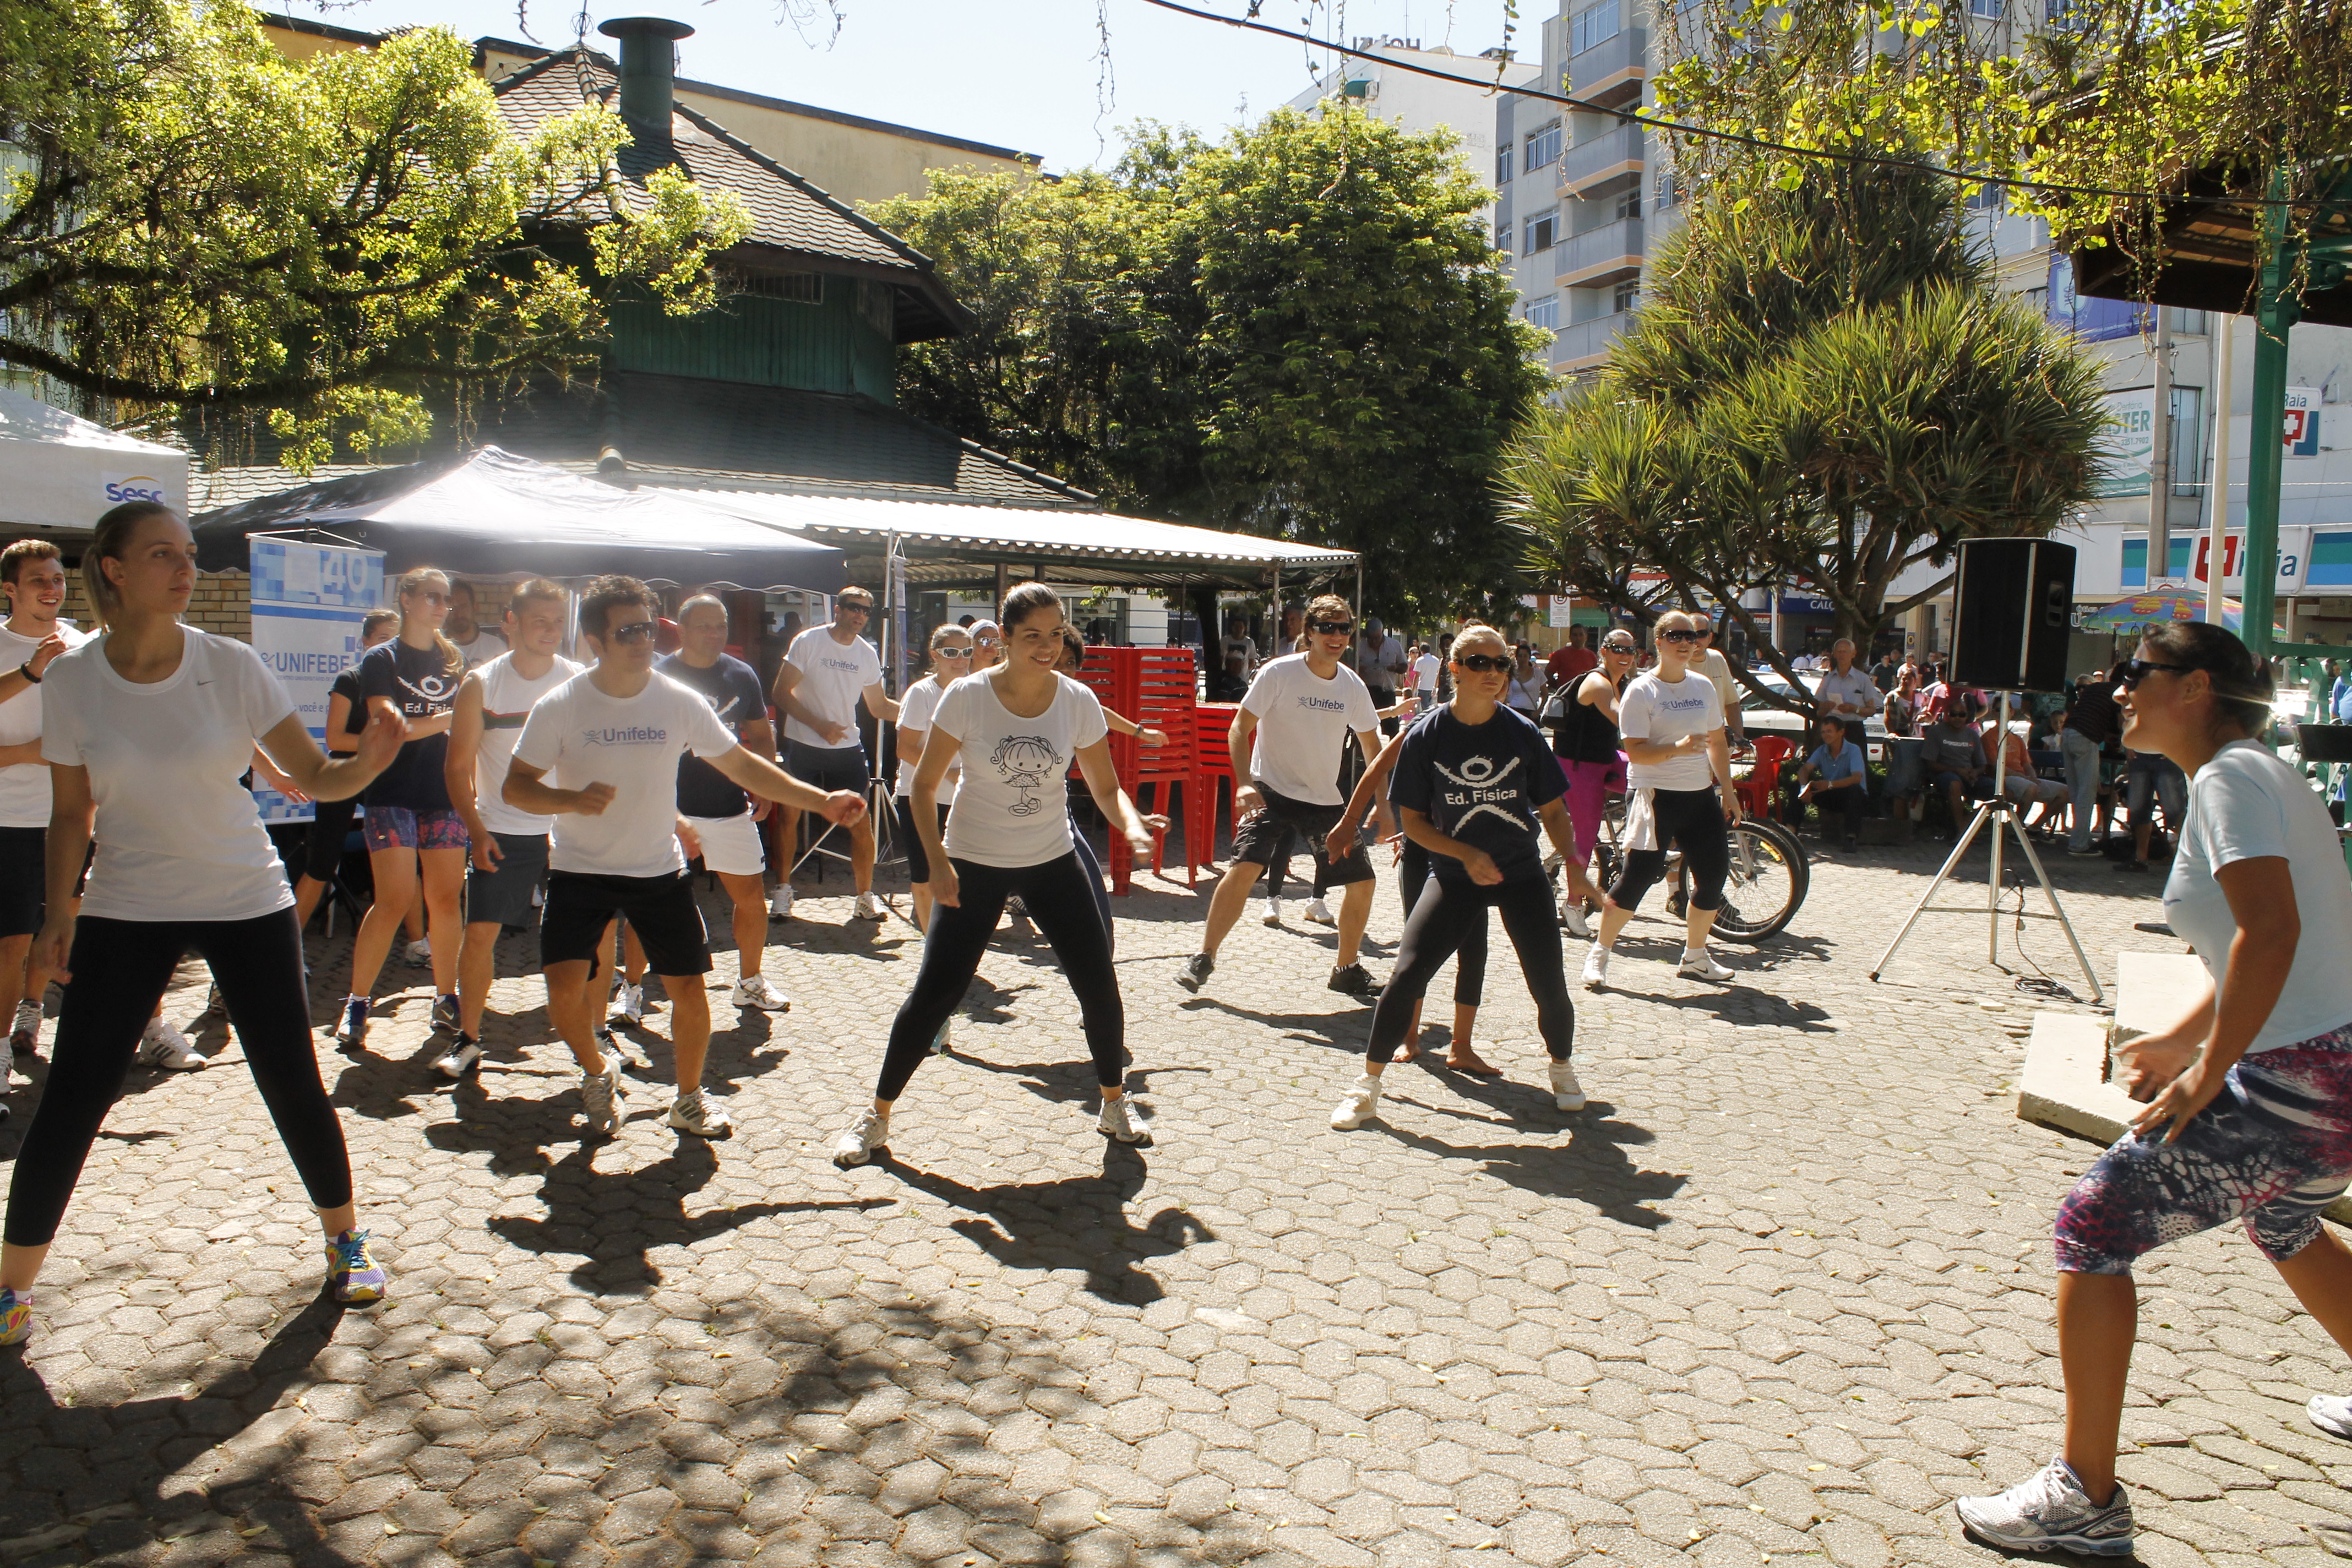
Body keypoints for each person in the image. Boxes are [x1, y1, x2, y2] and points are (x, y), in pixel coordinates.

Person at [1956, 622, 2352, 1557]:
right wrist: (2182, 1036)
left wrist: (2207, 1071)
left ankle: (2081, 1498)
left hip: (2295, 1077)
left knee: (2090, 1229)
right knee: (2283, 1221)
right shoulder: (2255, 770)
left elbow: (2273, 929)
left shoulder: (2225, 778)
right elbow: (2269, 938)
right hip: (2331, 1065)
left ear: (2196, 687)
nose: (2116, 687)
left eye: (2135, 672)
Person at [0, 501, 411, 1348]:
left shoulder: (232, 664)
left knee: (291, 1077)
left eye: (188, 554)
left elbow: (313, 779)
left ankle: (345, 1243)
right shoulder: (74, 680)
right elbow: (70, 814)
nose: (184, 567)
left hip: (244, 897)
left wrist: (366, 763)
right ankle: (11, 1290)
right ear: (113, 568)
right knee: (74, 1095)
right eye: (163, 554)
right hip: (126, 901)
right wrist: (59, 916)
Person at [506, 575, 865, 1141]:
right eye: (627, 630)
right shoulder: (562, 704)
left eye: (648, 627)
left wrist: (822, 799)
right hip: (580, 870)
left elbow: (743, 765)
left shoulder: (677, 699)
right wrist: (570, 800)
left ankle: (690, 1100)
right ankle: (598, 1072)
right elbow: (516, 787)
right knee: (563, 994)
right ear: (596, 639)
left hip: (658, 871)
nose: (643, 639)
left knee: (690, 991)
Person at [828, 582, 1159, 1167]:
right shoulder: (968, 697)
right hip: (973, 860)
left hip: (1050, 858)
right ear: (1003, 638)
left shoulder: (1077, 699)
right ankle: (876, 1117)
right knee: (936, 993)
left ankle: (1113, 1102)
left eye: (1056, 634)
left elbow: (1105, 787)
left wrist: (1129, 825)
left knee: (1097, 982)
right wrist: (939, 864)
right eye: (1032, 636)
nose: (1048, 646)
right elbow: (926, 788)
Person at [1327, 623, 1588, 1129]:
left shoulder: (1523, 732)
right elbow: (1416, 824)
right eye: (1479, 663)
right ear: (1455, 669)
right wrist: (1465, 856)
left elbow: (1554, 811)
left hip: (1520, 872)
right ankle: (1367, 1085)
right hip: (1453, 874)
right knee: (1406, 975)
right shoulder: (1429, 733)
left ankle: (1562, 1067)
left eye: (1501, 664)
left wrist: (1575, 864)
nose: (1493, 673)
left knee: (1549, 982)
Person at [1178, 595, 1388, 1004]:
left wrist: (1383, 800)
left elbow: (1372, 746)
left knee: (1363, 883)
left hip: (1324, 801)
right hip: (1271, 791)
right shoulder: (1279, 673)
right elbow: (1239, 729)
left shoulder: (1352, 684)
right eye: (1327, 627)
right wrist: (1243, 782)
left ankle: (1346, 970)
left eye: (1344, 628)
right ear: (1308, 631)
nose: (1337, 635)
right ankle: (1203, 957)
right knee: (1244, 869)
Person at [436, 581, 581, 1078]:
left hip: (569, 830)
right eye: (538, 620)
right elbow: (458, 768)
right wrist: (476, 831)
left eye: (556, 622)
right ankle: (468, 1039)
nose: (549, 631)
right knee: (479, 935)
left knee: (593, 933)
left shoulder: (577, 680)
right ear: (511, 622)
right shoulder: (482, 682)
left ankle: (598, 1036)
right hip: (502, 829)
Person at [333, 568, 470, 1049]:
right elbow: (390, 727)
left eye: (445, 599)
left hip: (444, 794)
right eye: (431, 596)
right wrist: (454, 717)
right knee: (391, 900)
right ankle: (357, 1001)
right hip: (390, 791)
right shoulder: (380, 659)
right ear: (406, 600)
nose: (440, 606)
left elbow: (470, 732)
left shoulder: (457, 662)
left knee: (446, 900)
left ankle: (447, 997)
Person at [1580, 610, 1744, 990]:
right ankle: (1600, 953)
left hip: (1699, 796)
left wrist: (1728, 790)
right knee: (1637, 879)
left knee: (1713, 876)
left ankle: (1696, 957)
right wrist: (1680, 747)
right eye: (1676, 636)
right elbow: (1636, 752)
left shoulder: (1703, 686)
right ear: (1658, 643)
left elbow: (1717, 741)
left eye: (1692, 636)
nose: (1686, 643)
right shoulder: (1642, 690)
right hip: (1655, 796)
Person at [660, 596, 792, 1017]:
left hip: (728, 805)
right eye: (704, 626)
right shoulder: (658, 677)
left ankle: (749, 982)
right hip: (667, 810)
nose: (715, 634)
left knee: (752, 899)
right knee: (654, 904)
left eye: (720, 625)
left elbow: (762, 735)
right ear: (682, 630)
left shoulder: (741, 674)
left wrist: (765, 784)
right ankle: (632, 988)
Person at [0, 541, 89, 1065]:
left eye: (57, 579)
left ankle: (31, 1013)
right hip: (8, 820)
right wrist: (29, 753)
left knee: (57, 937)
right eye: (39, 580)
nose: (52, 589)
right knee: (10, 944)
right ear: (10, 589)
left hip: (68, 820)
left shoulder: (81, 646)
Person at [769, 586, 897, 923]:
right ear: (837, 610)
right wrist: (818, 725)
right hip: (803, 744)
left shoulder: (867, 654)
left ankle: (865, 897)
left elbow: (880, 706)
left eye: (866, 611)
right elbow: (781, 693)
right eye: (854, 607)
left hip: (846, 749)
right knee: (789, 818)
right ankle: (782, 892)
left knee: (860, 821)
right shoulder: (808, 641)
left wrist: (929, 715)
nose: (860, 615)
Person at [290, 609, 399, 937]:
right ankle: (288, 948)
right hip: (345, 774)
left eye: (395, 641)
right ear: (365, 641)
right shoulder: (350, 679)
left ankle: (418, 943)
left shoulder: (404, 684)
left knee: (404, 859)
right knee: (321, 864)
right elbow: (335, 738)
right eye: (382, 639)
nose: (389, 648)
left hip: (385, 777)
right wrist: (376, 744)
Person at [1549, 629, 1638, 939]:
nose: (1625, 656)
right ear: (1604, 651)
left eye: (1630, 650)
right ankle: (1573, 904)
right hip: (1578, 765)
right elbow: (1625, 720)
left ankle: (1649, 839)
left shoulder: (1622, 681)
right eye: (1617, 649)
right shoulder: (1598, 683)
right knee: (1586, 835)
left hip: (1606, 758)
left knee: (1656, 777)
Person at [895, 623, 973, 937]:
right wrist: (949, 773)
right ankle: (933, 947)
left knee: (964, 874)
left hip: (963, 797)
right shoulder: (921, 693)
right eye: (951, 653)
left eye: (966, 652)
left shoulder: (977, 691)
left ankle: (954, 942)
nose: (960, 660)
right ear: (935, 655)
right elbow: (905, 748)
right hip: (919, 795)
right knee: (925, 876)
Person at [1782, 714, 1868, 849]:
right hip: (1828, 792)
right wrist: (1804, 788)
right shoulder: (1822, 750)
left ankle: (1851, 838)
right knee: (1796, 786)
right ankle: (1790, 832)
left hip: (1847, 795)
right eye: (1823, 732)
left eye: (1830, 732)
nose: (1826, 735)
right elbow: (1804, 769)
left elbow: (1856, 778)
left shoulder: (1853, 750)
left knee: (1855, 790)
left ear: (1841, 732)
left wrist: (1830, 785)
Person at [1983, 702, 2070, 827]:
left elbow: (2027, 764)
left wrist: (2032, 777)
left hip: (2023, 779)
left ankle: (2035, 827)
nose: (2002, 713)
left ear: (2012, 713)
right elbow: (1995, 767)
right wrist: (2025, 778)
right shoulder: (1988, 738)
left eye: (2006, 710)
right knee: (2031, 788)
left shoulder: (2017, 739)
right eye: (1998, 710)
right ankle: (2016, 827)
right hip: (2001, 779)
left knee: (2065, 792)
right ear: (1993, 713)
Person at [1919, 696, 1993, 831]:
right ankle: (1960, 831)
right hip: (1944, 775)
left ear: (1967, 716)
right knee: (1954, 784)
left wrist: (1974, 773)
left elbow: (1982, 764)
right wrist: (1958, 771)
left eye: (1962, 715)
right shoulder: (1936, 732)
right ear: (1947, 715)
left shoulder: (1973, 735)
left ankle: (1969, 822)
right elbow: (1930, 763)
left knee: (2002, 791)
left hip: (1970, 776)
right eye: (1954, 714)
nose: (1958, 718)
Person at [2116, 743, 2188, 875]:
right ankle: (2140, 860)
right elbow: (2127, 722)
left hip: (2168, 754)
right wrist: (2128, 745)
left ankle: (2184, 859)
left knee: (2175, 809)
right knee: (2138, 809)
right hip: (2139, 754)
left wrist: (2177, 748)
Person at [1692, 616, 1746, 749]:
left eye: (1701, 634)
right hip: (1687, 746)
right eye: (1690, 634)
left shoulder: (1718, 659)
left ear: (1710, 637)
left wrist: (1738, 738)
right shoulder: (1676, 664)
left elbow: (1732, 703)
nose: (1696, 640)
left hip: (1717, 744)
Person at [1880, 663, 1924, 821]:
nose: (1906, 682)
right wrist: (1891, 733)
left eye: (1910, 679)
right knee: (1898, 774)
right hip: (1899, 740)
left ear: (1915, 681)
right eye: (1904, 679)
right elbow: (1888, 717)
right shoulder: (1893, 696)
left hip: (1916, 740)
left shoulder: (1921, 696)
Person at [1812, 638, 1879, 723]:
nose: (1842, 655)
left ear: (1853, 654)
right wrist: (1826, 708)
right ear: (1834, 654)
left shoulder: (1863, 679)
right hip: (1832, 726)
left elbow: (1872, 711)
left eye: (1845, 652)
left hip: (1855, 727)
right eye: (1839, 652)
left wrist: (1855, 709)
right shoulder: (1827, 679)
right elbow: (1819, 713)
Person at [443, 580, 507, 669]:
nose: (459, 614)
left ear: (475, 607)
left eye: (463, 606)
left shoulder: (496, 647)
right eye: (452, 608)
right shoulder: (436, 649)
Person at [1544, 625, 1597, 693]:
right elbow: (1547, 674)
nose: (1578, 638)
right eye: (1575, 635)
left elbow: (1596, 676)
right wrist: (1559, 687)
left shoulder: (1592, 656)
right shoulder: (1560, 654)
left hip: (1586, 696)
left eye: (1581, 635)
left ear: (1586, 637)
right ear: (1570, 637)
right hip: (1566, 696)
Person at [1219, 614, 1259, 679]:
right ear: (1232, 628)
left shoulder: (1249, 642)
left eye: (1241, 627)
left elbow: (1252, 661)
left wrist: (1245, 671)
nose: (1238, 629)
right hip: (1227, 677)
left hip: (1243, 679)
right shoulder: (1225, 640)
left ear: (1244, 628)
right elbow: (1221, 657)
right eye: (1236, 627)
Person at [1505, 645, 1542, 717]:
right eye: (1520, 656)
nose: (1523, 659)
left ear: (1529, 657)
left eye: (1525, 656)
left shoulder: (1537, 673)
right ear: (1516, 657)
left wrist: (1539, 710)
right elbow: (1504, 692)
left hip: (1531, 712)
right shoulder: (1511, 674)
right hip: (1514, 710)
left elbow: (1545, 693)